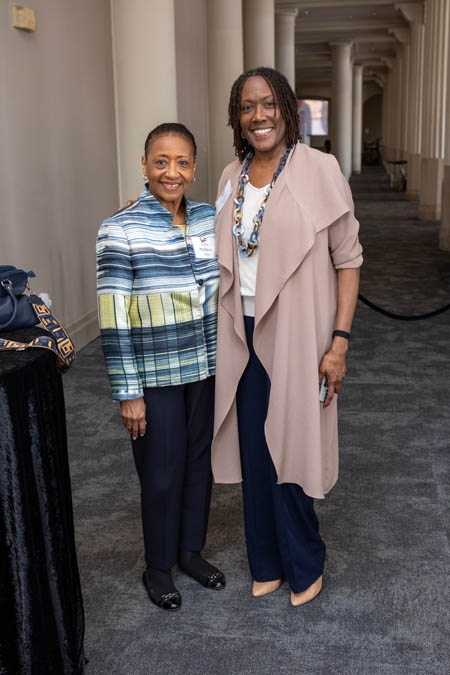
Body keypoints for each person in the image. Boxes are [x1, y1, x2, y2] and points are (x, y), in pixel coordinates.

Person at [212, 67, 362, 607]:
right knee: (255, 451)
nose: (259, 115)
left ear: (287, 109)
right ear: (238, 117)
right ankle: (266, 561)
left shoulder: (320, 169)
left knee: (292, 449)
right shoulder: (231, 175)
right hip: (242, 332)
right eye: (247, 106)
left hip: (299, 331)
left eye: (268, 103)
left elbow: (348, 260)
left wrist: (338, 342)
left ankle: (304, 561)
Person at [96, 122, 225, 612]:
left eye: (182, 162)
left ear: (195, 167)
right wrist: (128, 391)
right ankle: (157, 566)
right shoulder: (119, 228)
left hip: (207, 367)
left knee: (199, 466)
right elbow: (112, 318)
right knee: (161, 472)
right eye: (161, 162)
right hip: (155, 375)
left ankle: (190, 552)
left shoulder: (210, 218)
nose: (172, 172)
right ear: (145, 166)